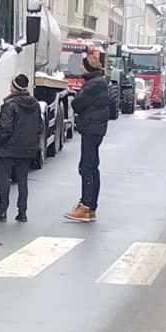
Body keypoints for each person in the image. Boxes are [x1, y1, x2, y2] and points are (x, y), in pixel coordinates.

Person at [67, 48, 120, 223]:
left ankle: (86, 205)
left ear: (88, 68)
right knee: (92, 166)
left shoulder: (92, 85)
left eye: (83, 65)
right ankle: (90, 208)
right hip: (96, 128)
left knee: (87, 166)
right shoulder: (100, 82)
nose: (80, 67)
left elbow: (77, 104)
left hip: (90, 128)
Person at [0, 74, 44, 222]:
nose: (9, 87)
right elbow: (39, 127)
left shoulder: (10, 105)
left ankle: (2, 211)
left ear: (14, 87)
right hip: (27, 149)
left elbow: (5, 128)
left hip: (9, 148)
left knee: (5, 180)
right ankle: (22, 212)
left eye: (11, 85)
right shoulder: (35, 104)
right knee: (22, 180)